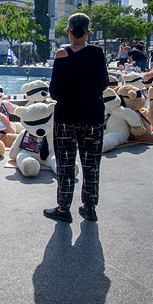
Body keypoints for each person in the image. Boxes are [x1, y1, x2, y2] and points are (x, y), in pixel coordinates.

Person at [44, 13, 109, 223]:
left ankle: (64, 209)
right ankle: (89, 207)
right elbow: (104, 84)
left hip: (67, 116)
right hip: (93, 115)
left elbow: (54, 91)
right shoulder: (98, 53)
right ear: (88, 32)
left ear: (68, 31)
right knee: (91, 164)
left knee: (66, 164)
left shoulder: (62, 54)